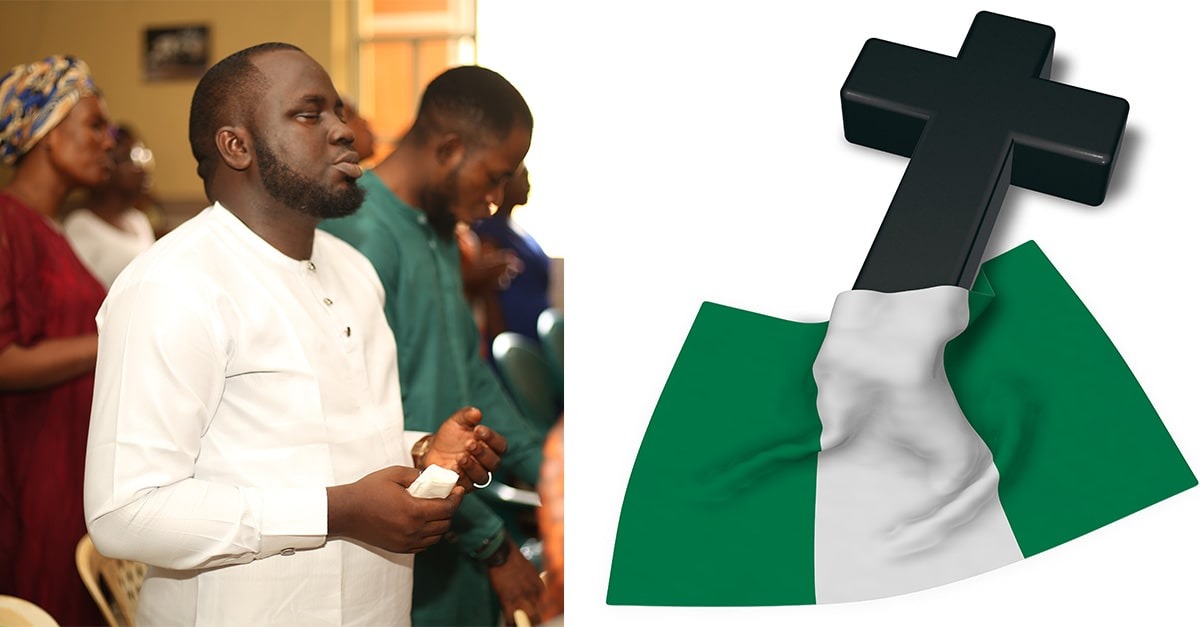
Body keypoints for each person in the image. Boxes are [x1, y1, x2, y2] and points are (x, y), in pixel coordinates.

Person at [83, 42, 508, 626]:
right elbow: (125, 513)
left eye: (337, 111)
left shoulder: (353, 270)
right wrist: (334, 513)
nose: (343, 131)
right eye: (310, 114)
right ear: (237, 146)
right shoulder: (172, 285)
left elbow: (319, 440)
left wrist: (419, 451)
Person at [320, 66, 548, 627]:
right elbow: (375, 420)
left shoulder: (439, 227)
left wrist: (550, 468)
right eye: (492, 177)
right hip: (410, 535)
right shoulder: (362, 232)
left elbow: (466, 377)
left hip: (460, 517)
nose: (496, 201)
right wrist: (492, 543)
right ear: (449, 148)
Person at [0, 54, 112, 627]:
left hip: (70, 458)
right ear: (45, 131)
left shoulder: (50, 230)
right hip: (31, 462)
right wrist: (116, 341)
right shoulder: (6, 223)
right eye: (93, 124)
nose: (107, 139)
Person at [63, 124, 157, 288]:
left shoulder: (138, 220)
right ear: (108, 166)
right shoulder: (81, 227)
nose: (143, 168)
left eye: (144, 156)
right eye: (133, 157)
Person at [472, 163, 551, 346]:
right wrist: (503, 341)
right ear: (504, 183)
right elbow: (488, 294)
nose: (528, 184)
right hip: (514, 337)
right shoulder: (489, 231)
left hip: (536, 334)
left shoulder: (521, 231)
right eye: (523, 178)